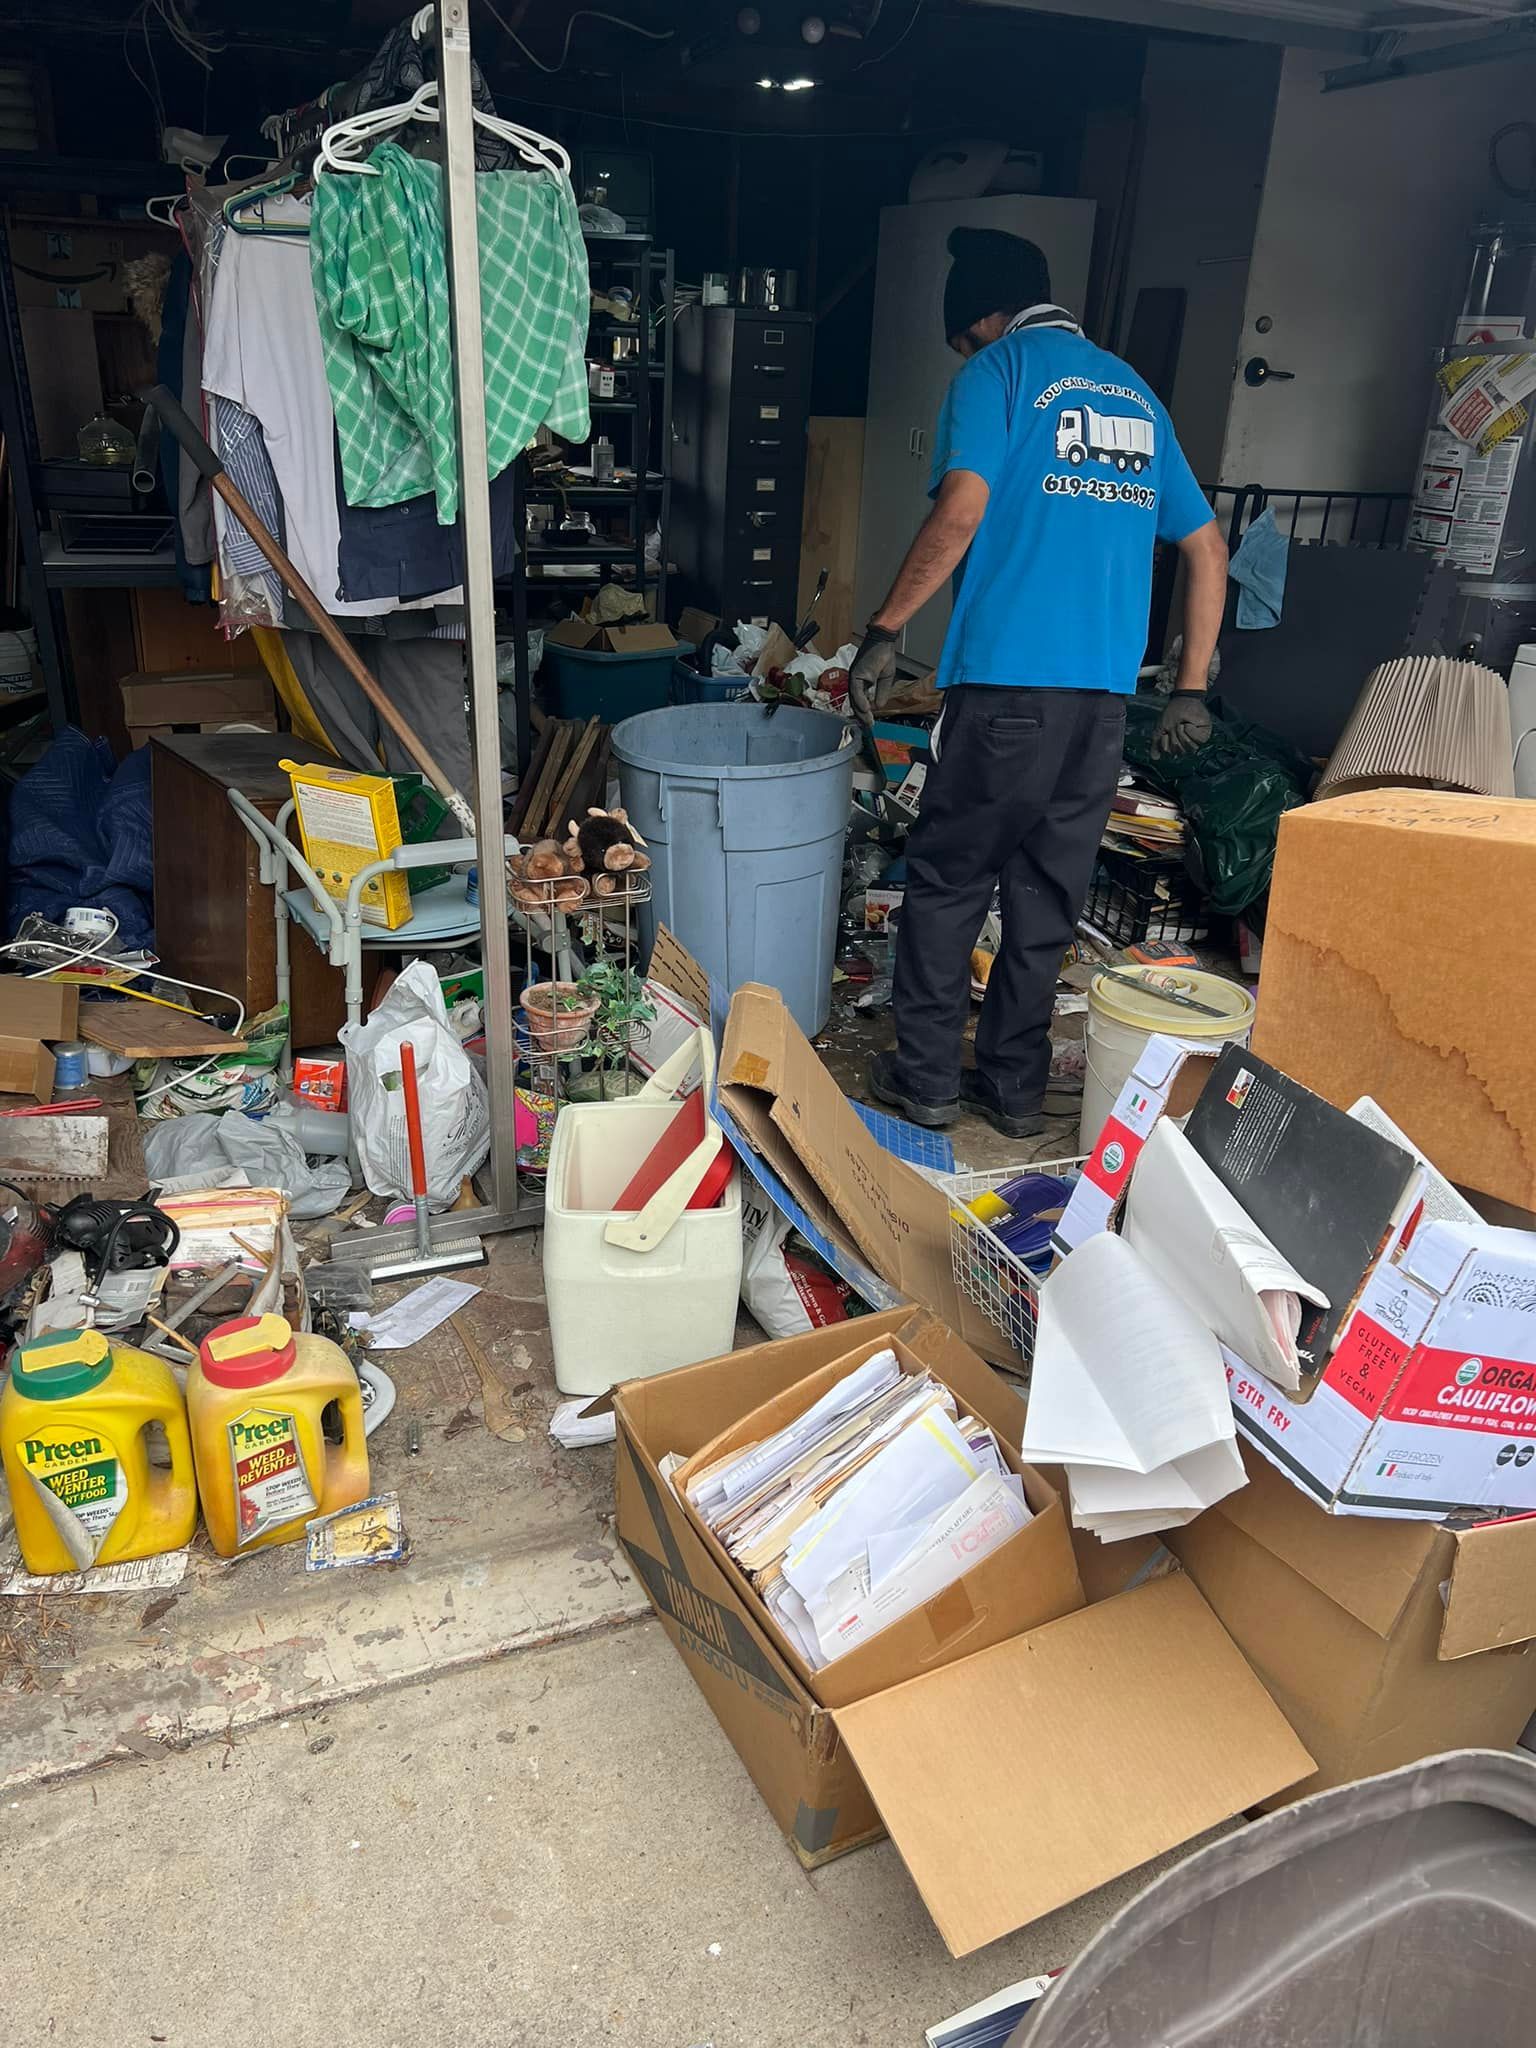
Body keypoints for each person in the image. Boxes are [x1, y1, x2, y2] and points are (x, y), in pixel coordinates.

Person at [849, 226, 1228, 1138]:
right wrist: (1190, 688)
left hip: (1008, 691)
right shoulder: (1136, 395)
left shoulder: (998, 376)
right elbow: (1207, 547)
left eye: (961, 338)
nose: (963, 354)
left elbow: (965, 503)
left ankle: (931, 1080)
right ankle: (1016, 1094)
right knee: (1047, 895)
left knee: (947, 883)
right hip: (1101, 704)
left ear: (985, 316)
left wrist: (884, 629)